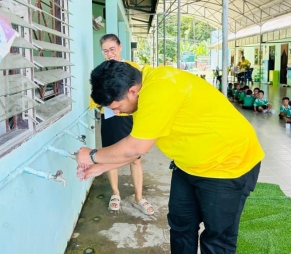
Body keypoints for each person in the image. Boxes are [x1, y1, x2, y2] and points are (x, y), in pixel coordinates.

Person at [77, 60, 264, 254]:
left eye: (116, 106)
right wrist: (103, 166)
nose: (115, 112)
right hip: (187, 165)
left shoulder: (160, 90)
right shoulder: (143, 89)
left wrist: (92, 156)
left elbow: (134, 147)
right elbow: (142, 145)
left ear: (132, 91)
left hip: (227, 166)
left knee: (217, 239)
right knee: (180, 226)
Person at [90, 34, 153, 215]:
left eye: (112, 49)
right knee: (112, 157)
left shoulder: (132, 68)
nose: (109, 53)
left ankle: (138, 197)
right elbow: (94, 99)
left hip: (130, 117)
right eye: (105, 51)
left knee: (135, 157)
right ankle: (116, 194)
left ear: (120, 47)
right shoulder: (100, 71)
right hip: (110, 119)